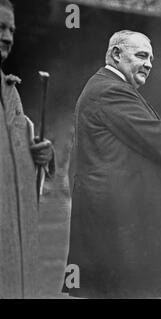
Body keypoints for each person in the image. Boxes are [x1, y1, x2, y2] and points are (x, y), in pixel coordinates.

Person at [63, 30, 161, 298]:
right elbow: (156, 137)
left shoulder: (107, 87)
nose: (149, 64)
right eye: (141, 55)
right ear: (116, 55)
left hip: (112, 215)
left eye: (151, 59)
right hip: (116, 219)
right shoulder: (110, 90)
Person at [0, 0, 54, 298]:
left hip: (14, 232)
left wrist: (42, 153)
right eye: (0, 27)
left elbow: (22, 143)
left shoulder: (12, 91)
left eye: (11, 29)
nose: (8, 36)